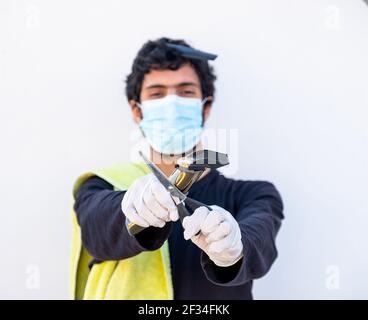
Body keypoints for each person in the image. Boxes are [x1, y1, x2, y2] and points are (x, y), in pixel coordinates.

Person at [70, 37, 284, 300]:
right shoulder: (103, 185)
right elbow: (96, 230)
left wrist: (234, 248)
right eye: (157, 93)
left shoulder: (253, 195)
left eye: (185, 92)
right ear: (137, 111)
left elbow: (259, 241)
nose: (172, 106)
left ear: (205, 108)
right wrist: (131, 209)